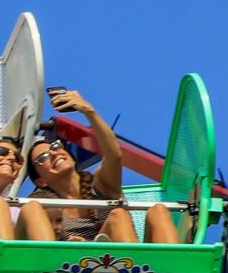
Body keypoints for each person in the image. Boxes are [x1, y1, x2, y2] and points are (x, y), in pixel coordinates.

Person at [26, 90, 179, 243]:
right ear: (41, 181)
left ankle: (173, 264)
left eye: (55, 146)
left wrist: (88, 111)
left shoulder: (99, 187)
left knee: (158, 211)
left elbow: (114, 154)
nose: (53, 153)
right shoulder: (51, 209)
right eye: (43, 157)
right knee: (117, 217)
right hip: (80, 264)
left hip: (132, 262)